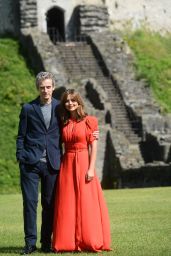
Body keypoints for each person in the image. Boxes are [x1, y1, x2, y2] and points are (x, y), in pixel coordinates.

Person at [52, 89, 111, 252]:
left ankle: (89, 239)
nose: (70, 103)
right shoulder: (63, 122)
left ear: (79, 102)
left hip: (84, 162)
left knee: (87, 202)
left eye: (73, 100)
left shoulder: (90, 121)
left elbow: (94, 145)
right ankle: (67, 242)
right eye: (67, 101)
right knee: (67, 202)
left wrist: (92, 168)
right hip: (67, 164)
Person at [16, 72, 61, 254]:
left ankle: (46, 243)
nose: (45, 90)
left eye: (48, 87)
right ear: (38, 88)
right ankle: (30, 243)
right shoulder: (28, 108)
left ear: (53, 87)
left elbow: (75, 123)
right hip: (30, 163)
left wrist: (92, 133)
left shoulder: (60, 108)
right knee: (30, 203)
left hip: (52, 163)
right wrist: (21, 156)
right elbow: (21, 135)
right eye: (42, 87)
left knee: (49, 204)